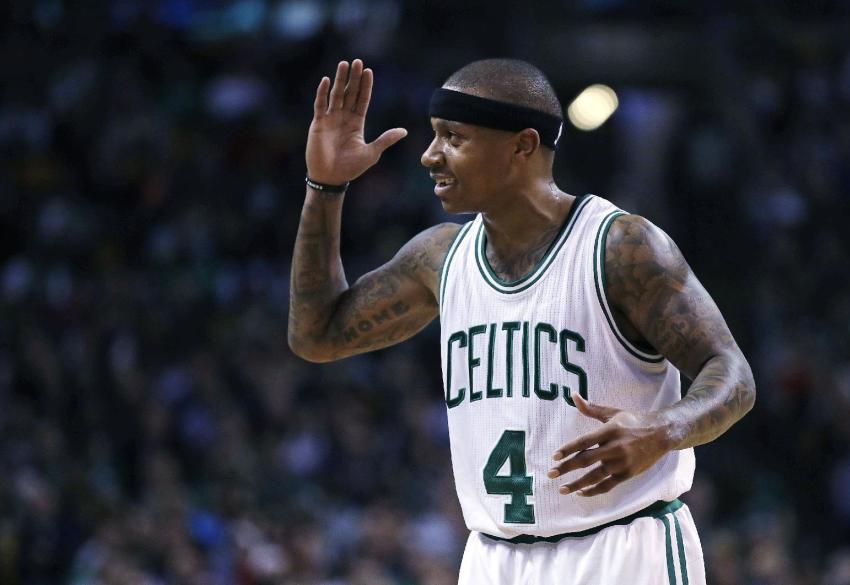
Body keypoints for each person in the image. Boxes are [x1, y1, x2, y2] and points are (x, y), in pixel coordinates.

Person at [288, 57, 756, 585]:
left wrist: (663, 429)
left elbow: (733, 374)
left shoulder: (620, 248)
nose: (429, 155)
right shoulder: (440, 260)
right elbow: (316, 336)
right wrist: (323, 189)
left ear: (522, 146)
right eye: (434, 135)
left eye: (453, 137)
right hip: (495, 560)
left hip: (621, 548)